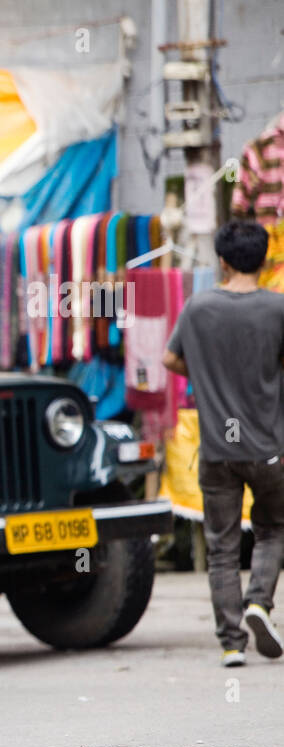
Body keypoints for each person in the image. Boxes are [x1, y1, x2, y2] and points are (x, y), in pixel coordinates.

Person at [163, 219, 284, 667]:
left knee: (222, 545)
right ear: (266, 259)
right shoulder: (277, 310)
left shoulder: (198, 307)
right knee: (274, 528)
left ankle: (232, 642)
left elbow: (170, 358)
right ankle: (259, 602)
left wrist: (211, 378)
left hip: (217, 449)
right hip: (270, 447)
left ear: (222, 260)